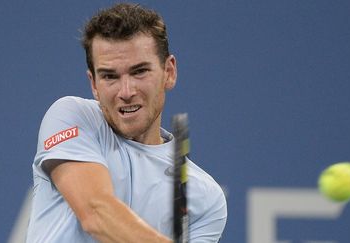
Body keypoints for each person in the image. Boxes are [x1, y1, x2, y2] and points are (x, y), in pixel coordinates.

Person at [26, 3, 227, 243]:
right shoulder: (72, 115)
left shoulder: (206, 197)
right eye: (110, 76)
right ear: (94, 84)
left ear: (169, 72)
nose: (126, 91)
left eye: (139, 72)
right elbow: (97, 214)